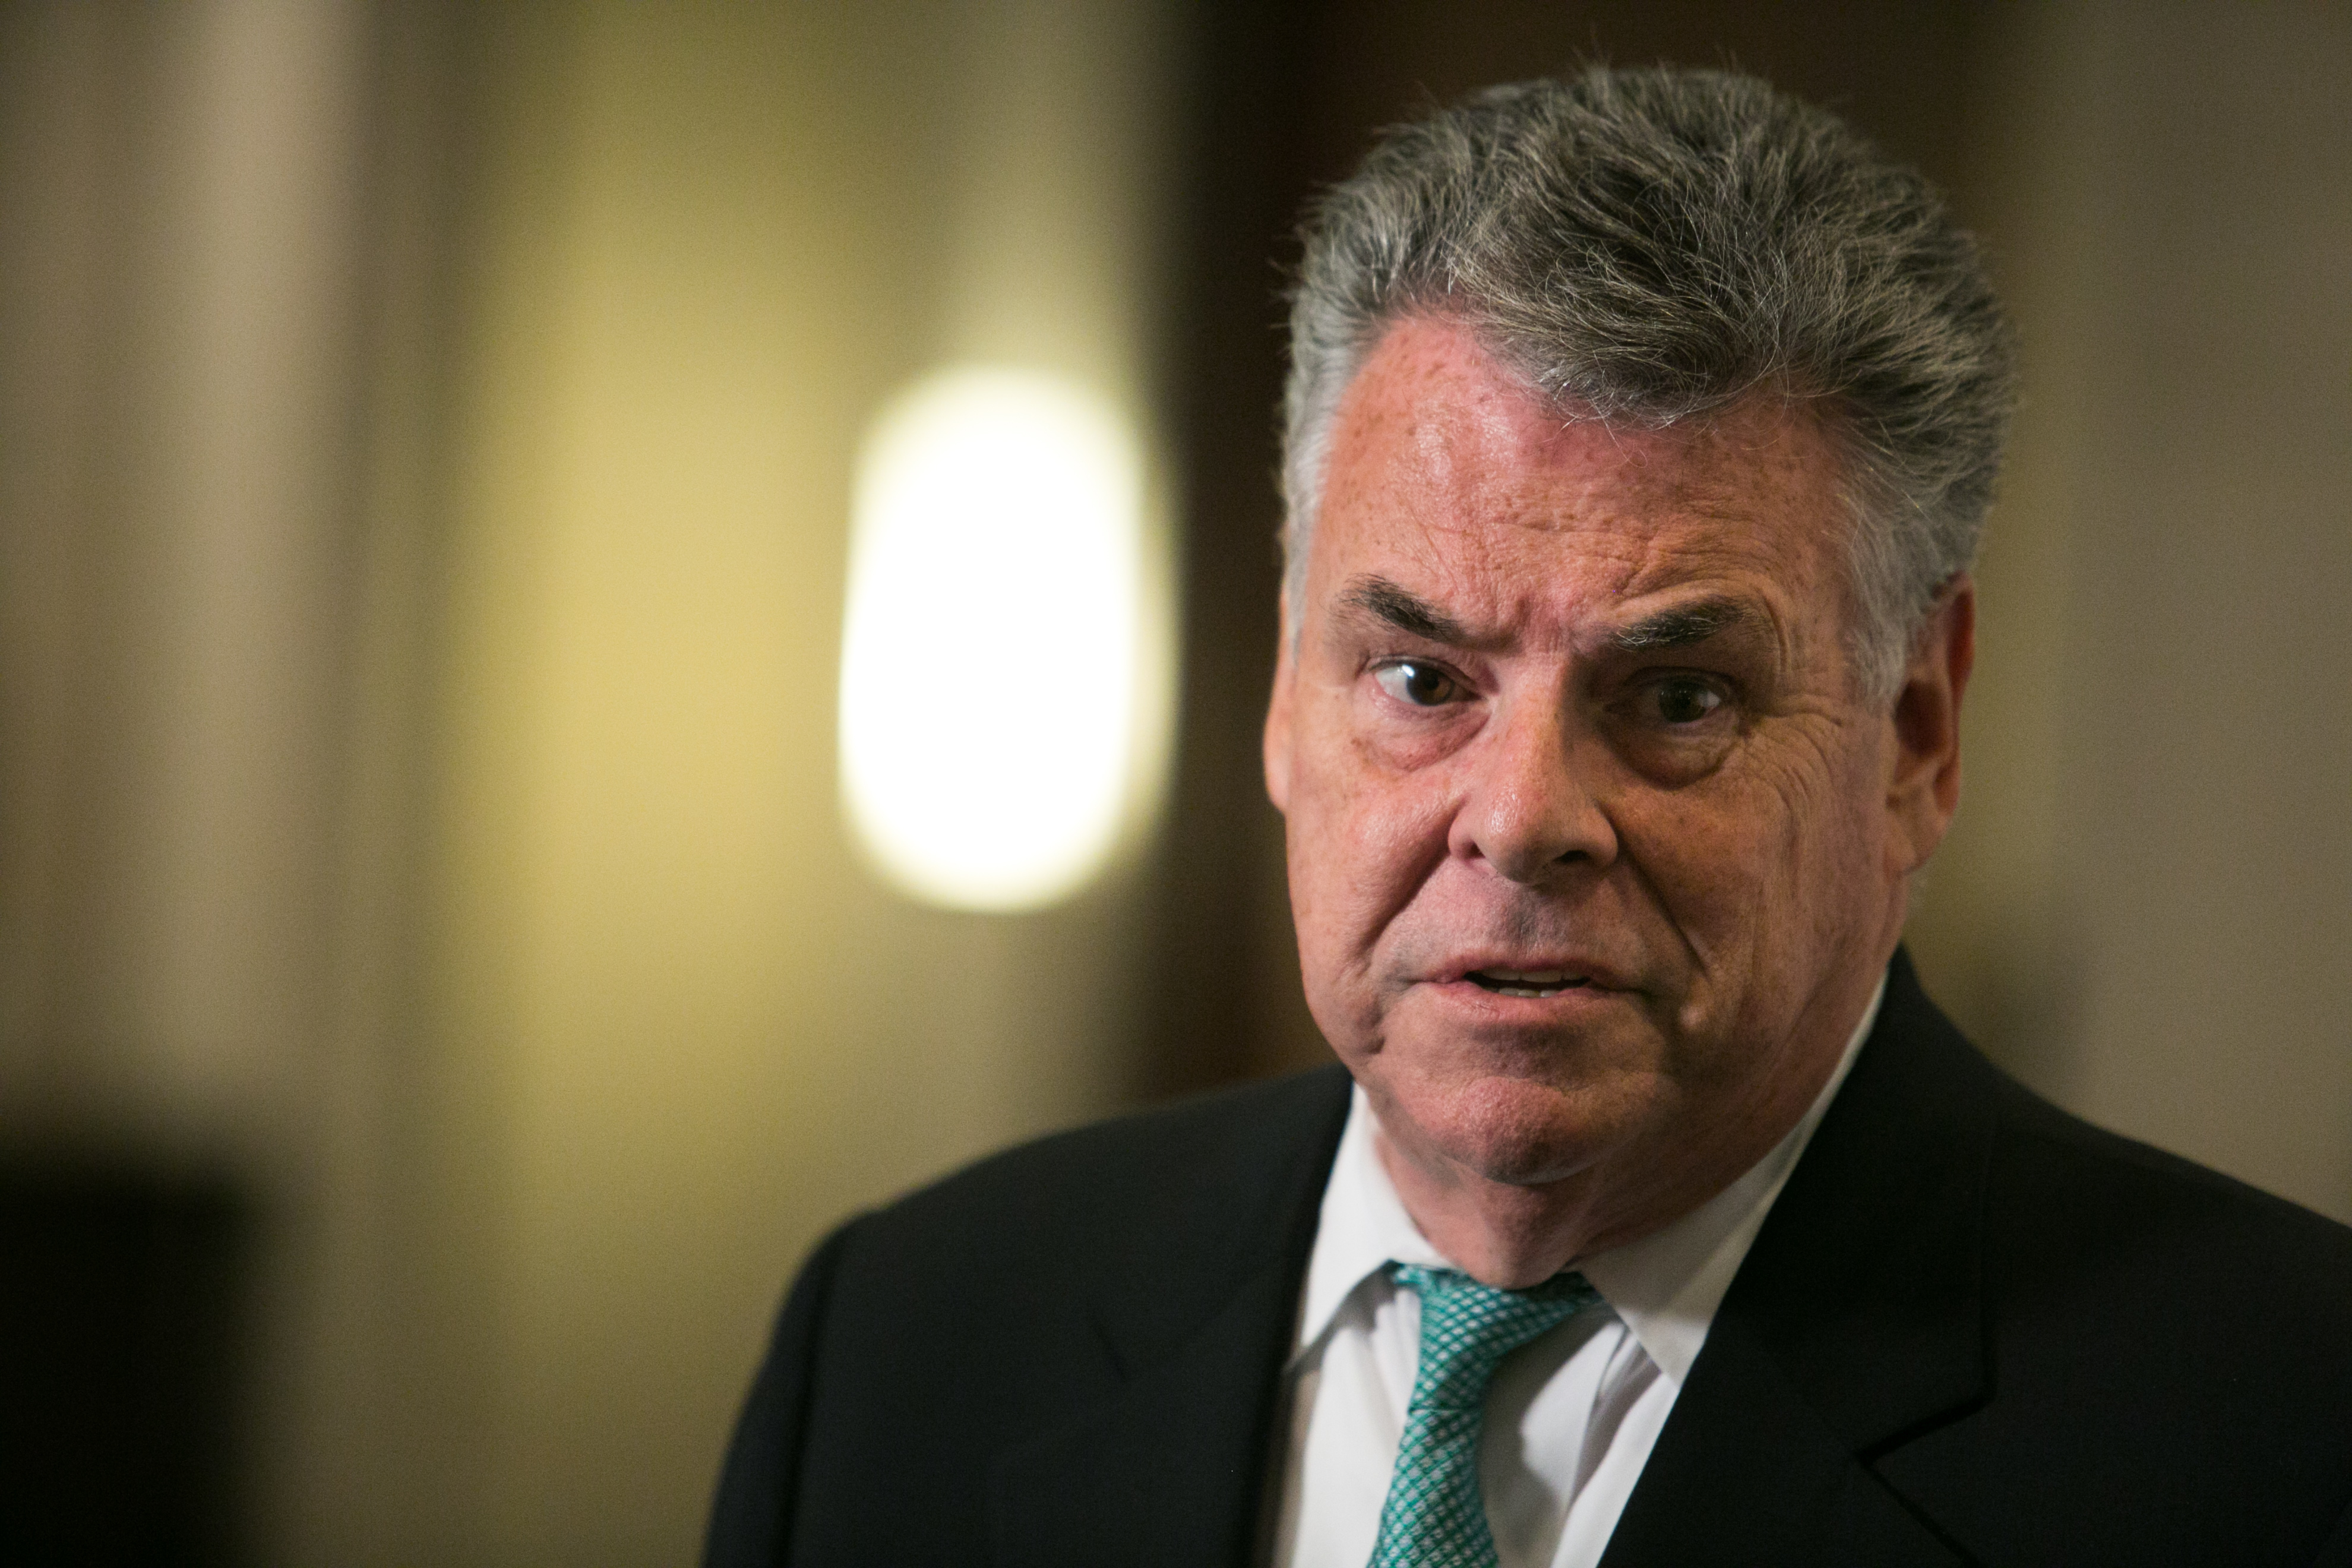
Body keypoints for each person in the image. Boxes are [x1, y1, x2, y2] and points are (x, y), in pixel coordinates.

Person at [704, 68, 2352, 1567]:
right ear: (1284, 690)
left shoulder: (2282, 1437)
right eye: (1423, 679)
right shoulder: (908, 1339)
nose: (1520, 818)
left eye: (1680, 697)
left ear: (1916, 733)